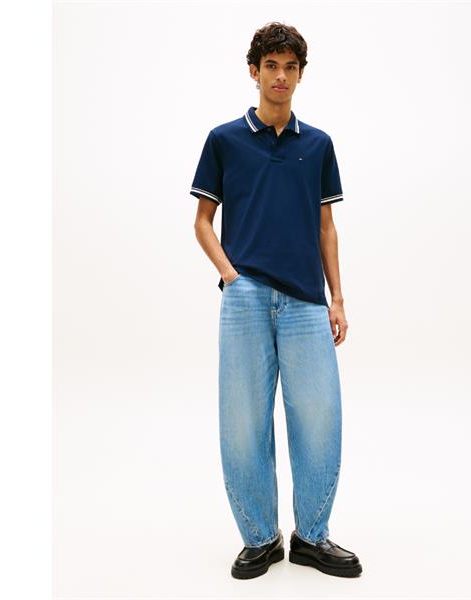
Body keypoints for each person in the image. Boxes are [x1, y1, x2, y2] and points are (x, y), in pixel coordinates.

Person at [189, 21, 362, 579]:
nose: (280, 76)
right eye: (271, 66)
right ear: (254, 71)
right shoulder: (224, 140)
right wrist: (230, 276)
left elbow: (326, 227)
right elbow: (202, 221)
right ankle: (260, 539)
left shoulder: (318, 145)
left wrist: (337, 297)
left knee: (319, 418)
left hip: (307, 301)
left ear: (301, 75)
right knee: (243, 423)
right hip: (245, 297)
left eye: (290, 67)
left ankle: (311, 537)